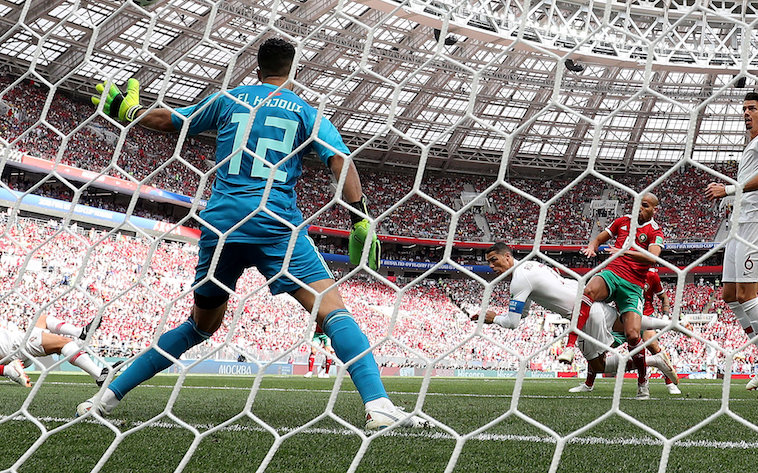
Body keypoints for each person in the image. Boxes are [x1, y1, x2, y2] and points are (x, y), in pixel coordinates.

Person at [79, 37, 426, 431]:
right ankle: (378, 405)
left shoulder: (229, 99)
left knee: (199, 326)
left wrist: (130, 109)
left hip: (221, 224)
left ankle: (103, 399)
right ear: (292, 72)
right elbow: (338, 160)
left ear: (255, 69)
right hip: (274, 224)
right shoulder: (306, 112)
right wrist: (360, 217)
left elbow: (168, 121)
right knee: (333, 312)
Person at [474, 243, 677, 397]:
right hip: (590, 302)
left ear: (508, 257)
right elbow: (524, 312)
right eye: (489, 262)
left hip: (583, 317)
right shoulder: (531, 266)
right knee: (629, 326)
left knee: (598, 366)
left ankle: (653, 360)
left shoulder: (519, 280)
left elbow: (512, 322)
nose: (492, 266)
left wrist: (493, 319)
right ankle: (673, 325)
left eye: (494, 260)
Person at [704, 91, 758, 402]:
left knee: (746, 295)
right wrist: (729, 198)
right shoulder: (751, 145)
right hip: (740, 224)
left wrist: (727, 188)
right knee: (729, 295)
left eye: (752, 108)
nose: (746, 113)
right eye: (743, 109)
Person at [558, 194, 664, 400]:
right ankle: (570, 346)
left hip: (633, 286)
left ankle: (643, 381)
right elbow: (599, 238)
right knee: (587, 292)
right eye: (637, 205)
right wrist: (592, 246)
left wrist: (625, 251)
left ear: (653, 210)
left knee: (633, 336)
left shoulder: (655, 231)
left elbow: (653, 256)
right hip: (612, 274)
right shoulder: (622, 221)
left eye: (644, 206)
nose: (639, 209)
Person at [1, 313, 106, 388]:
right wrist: (6, 371)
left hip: (14, 344)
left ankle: (80, 333)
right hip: (14, 347)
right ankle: (98, 374)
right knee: (64, 343)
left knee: (42, 319)